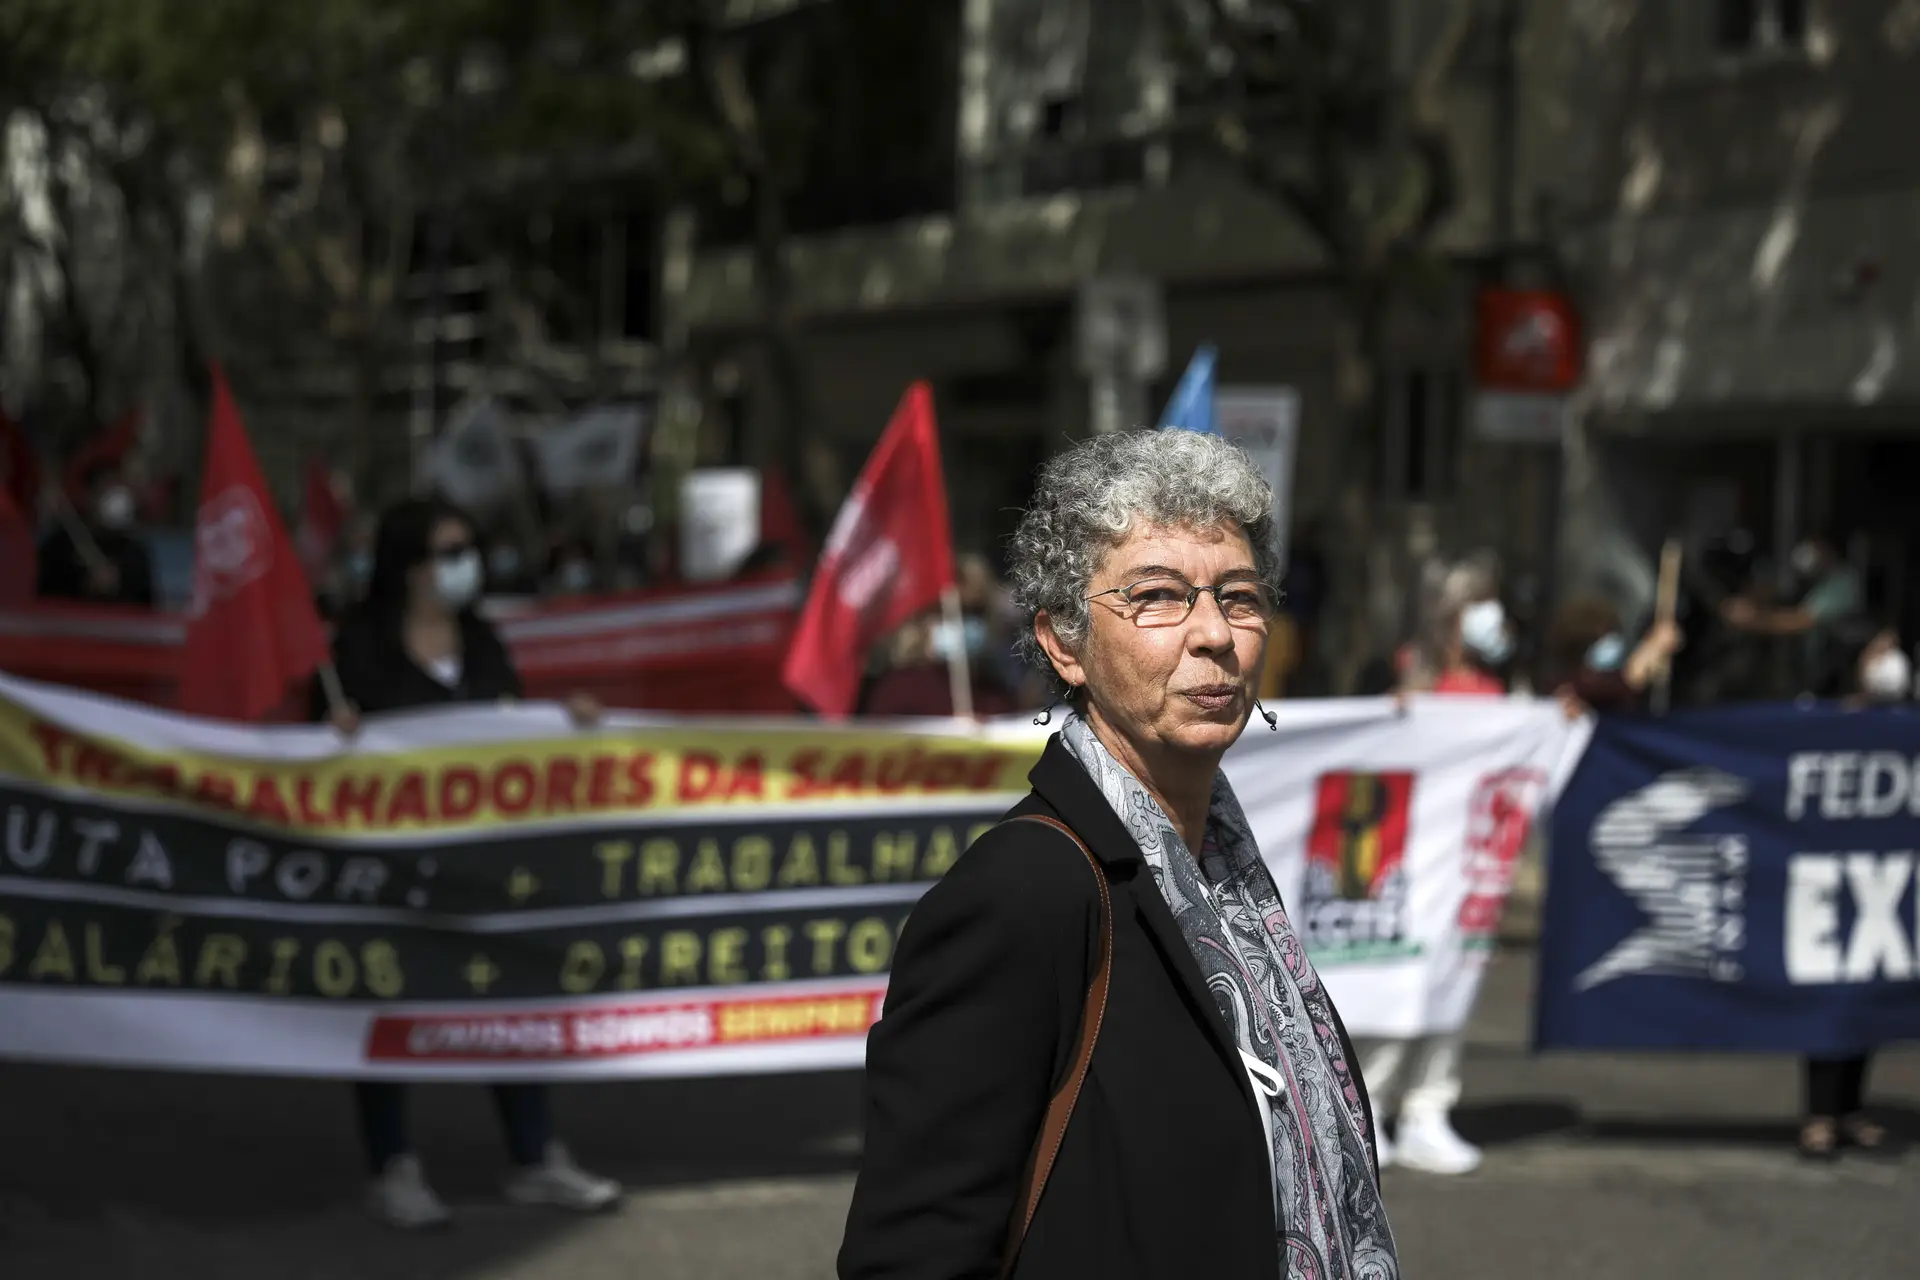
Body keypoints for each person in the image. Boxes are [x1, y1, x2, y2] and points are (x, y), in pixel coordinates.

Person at [839, 430, 1394, 1280]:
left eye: (1240, 597)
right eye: (1159, 597)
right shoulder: (1024, 893)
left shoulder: (1228, 877)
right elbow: (913, 1253)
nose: (1215, 634)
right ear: (1064, 642)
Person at [315, 497, 618, 1228]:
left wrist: (566, 725)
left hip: (485, 861)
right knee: (393, 998)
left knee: (503, 994)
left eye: (467, 549)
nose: (464, 565)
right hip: (396, 866)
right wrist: (337, 731)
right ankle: (392, 1165)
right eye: (449, 552)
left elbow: (508, 727)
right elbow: (316, 749)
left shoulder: (481, 639)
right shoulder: (358, 646)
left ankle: (535, 1155)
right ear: (410, 566)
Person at [1799, 625, 1906, 1161]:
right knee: (1830, 1005)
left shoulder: (1902, 728)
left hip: (1882, 886)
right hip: (1828, 888)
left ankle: (1850, 1111)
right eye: (1879, 652)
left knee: (1868, 1004)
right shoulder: (1825, 724)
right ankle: (1819, 1115)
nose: (1891, 663)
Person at [1719, 530, 1866, 695]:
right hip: (1811, 674)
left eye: (1815, 546)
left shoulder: (1844, 582)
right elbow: (1782, 601)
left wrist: (1752, 620)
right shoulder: (1817, 582)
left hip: (1835, 680)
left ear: (1829, 549)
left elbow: (1802, 621)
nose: (1809, 552)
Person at [35, 462, 156, 606]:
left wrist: (119, 586)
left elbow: (146, 609)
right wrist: (85, 586)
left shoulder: (136, 553)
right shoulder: (58, 545)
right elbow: (43, 600)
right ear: (89, 496)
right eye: (105, 489)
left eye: (118, 488)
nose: (116, 499)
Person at [1548, 595, 1685, 715]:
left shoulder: (1601, 677)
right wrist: (1656, 645)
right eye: (1604, 635)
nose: (1612, 641)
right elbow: (1628, 680)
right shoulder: (1571, 687)